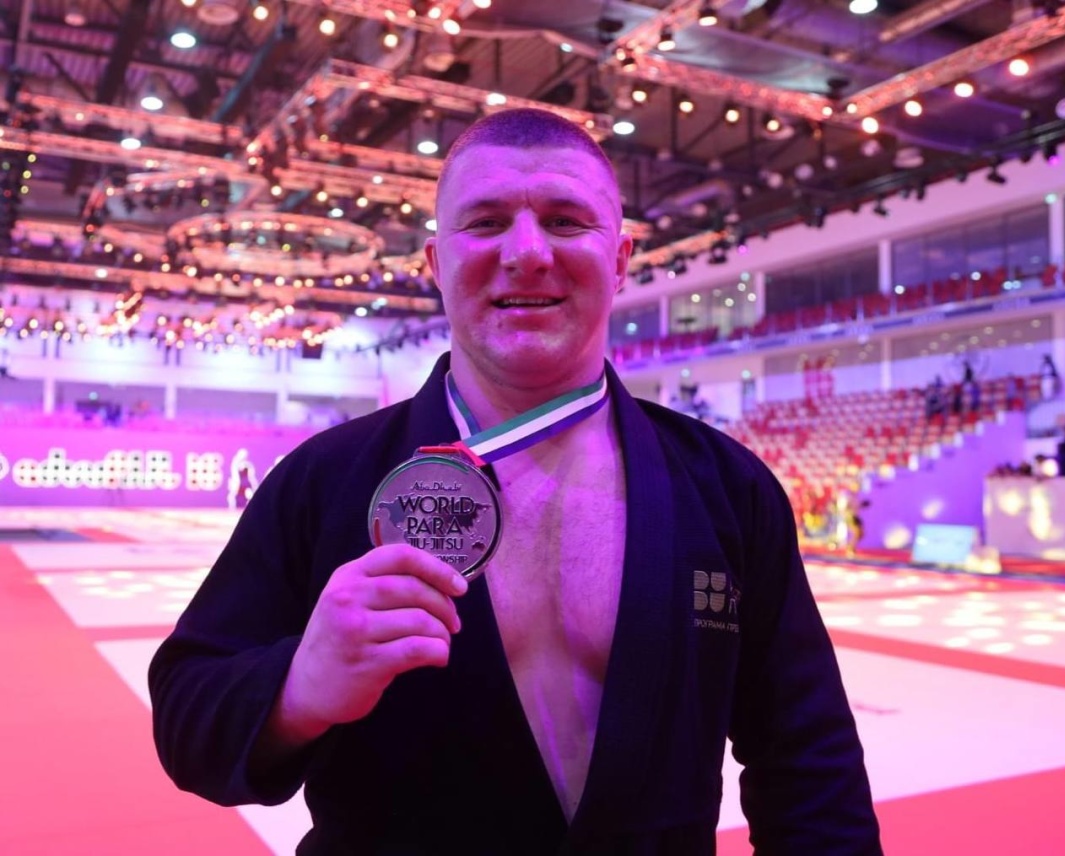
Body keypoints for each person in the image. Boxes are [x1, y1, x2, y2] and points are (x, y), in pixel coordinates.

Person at [149, 108, 881, 854]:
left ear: (620, 258)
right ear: (435, 263)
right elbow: (186, 715)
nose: (527, 253)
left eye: (566, 222)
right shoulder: (325, 479)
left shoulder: (727, 487)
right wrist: (299, 688)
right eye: (486, 223)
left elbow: (807, 761)